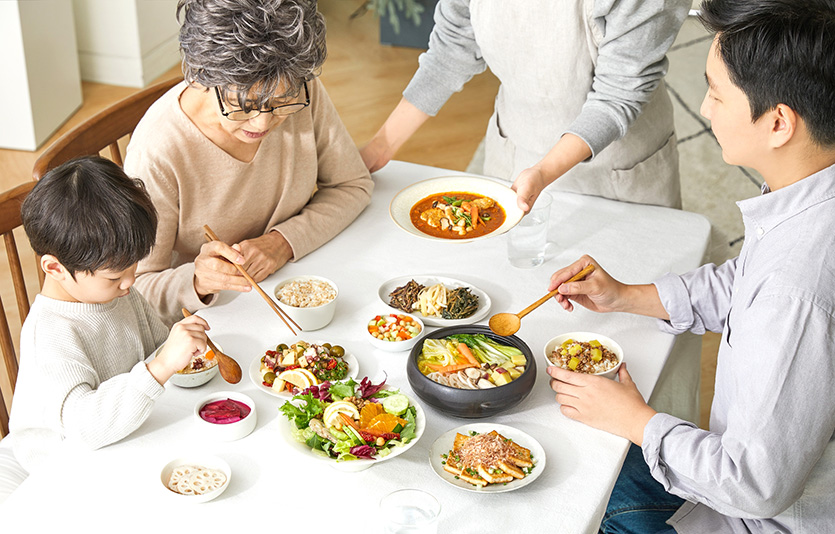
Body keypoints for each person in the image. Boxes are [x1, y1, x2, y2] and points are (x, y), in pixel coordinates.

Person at [546, 1, 835, 532]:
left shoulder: (797, 290)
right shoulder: (809, 196)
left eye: (716, 93)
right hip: (738, 487)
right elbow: (744, 284)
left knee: (569, 487)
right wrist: (625, 295)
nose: (704, 108)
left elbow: (753, 485)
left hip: (748, 517)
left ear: (778, 123)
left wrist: (635, 419)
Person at [125, 0, 374, 326]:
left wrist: (281, 243)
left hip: (299, 281)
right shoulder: (158, 152)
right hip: (212, 321)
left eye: (280, 103)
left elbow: (352, 185)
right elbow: (136, 289)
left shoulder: (295, 84)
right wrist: (197, 281)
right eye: (244, 105)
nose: (262, 123)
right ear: (204, 77)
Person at [1, 156, 209, 502]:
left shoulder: (116, 291)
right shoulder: (50, 334)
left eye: (133, 267)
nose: (130, 282)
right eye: (114, 276)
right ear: (55, 268)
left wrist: (179, 350)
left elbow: (156, 347)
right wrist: (161, 366)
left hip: (124, 433)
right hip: (66, 467)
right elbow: (84, 428)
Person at [361, 0, 690, 212]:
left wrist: (544, 171)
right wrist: (380, 146)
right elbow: (450, 51)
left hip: (616, 166)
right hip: (515, 147)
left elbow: (617, 95)